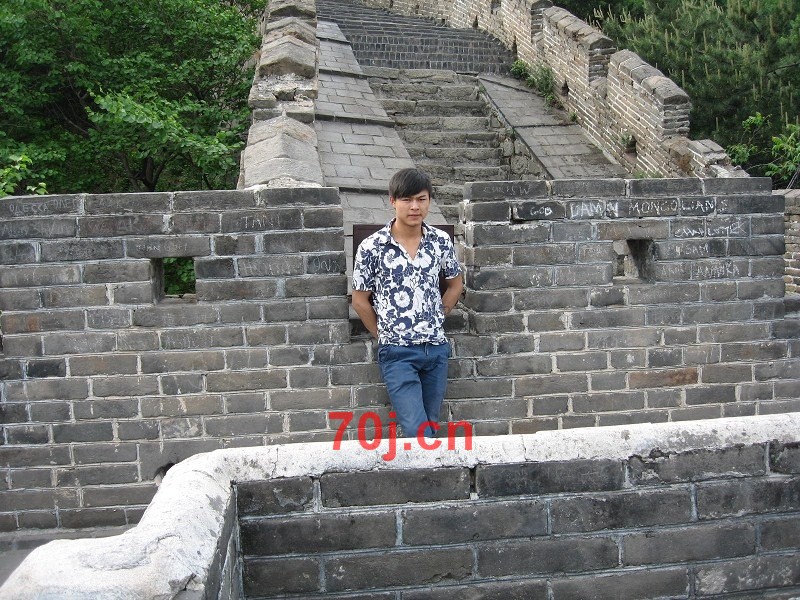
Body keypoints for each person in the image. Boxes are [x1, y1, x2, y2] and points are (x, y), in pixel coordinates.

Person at [352, 168, 464, 439]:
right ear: (393, 201)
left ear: (429, 201)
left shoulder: (440, 241)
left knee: (430, 427)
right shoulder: (372, 247)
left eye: (421, 199)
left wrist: (440, 314)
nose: (415, 207)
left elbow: (455, 284)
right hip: (397, 352)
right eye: (407, 199)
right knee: (417, 432)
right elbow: (359, 300)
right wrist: (383, 335)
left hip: (435, 349)